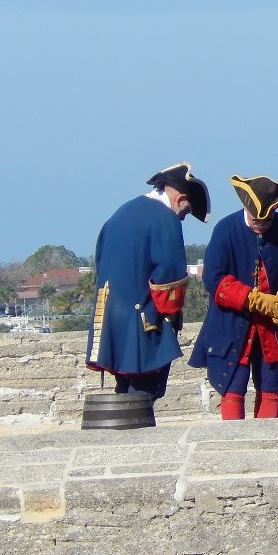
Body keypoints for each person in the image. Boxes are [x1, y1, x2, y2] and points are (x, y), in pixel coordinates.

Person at [86, 162, 211, 401]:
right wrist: (172, 316)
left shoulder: (120, 213)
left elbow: (101, 264)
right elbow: (169, 277)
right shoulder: (165, 219)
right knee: (144, 393)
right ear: (180, 199)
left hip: (110, 317)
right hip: (143, 319)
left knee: (124, 388)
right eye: (185, 212)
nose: (182, 218)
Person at [188, 175, 278, 419]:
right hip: (232, 325)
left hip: (270, 327)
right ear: (246, 207)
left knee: (270, 386)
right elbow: (215, 279)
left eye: (267, 219)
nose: (261, 224)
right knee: (233, 385)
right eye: (256, 219)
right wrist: (255, 300)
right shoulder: (225, 229)